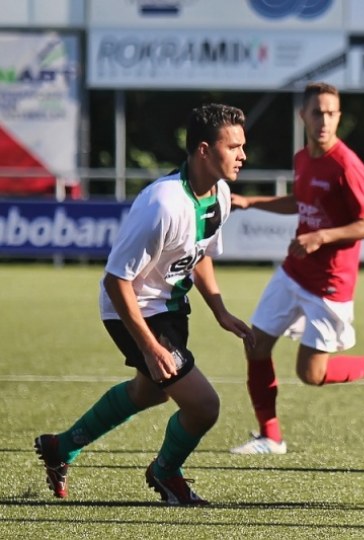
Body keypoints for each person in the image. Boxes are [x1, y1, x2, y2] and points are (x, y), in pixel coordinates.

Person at [35, 103, 254, 505]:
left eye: (243, 146)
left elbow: (200, 255)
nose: (243, 155)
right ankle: (165, 474)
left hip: (168, 308)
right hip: (132, 307)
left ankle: (61, 446)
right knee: (204, 407)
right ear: (204, 150)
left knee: (150, 392)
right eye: (234, 146)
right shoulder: (163, 204)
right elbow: (116, 281)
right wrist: (151, 347)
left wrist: (220, 311)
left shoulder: (220, 193)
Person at [229, 82, 364, 455]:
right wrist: (251, 201)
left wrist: (320, 237)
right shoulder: (302, 158)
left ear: (338, 116)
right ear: (303, 116)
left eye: (331, 113)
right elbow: (300, 201)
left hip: (330, 282)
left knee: (311, 374)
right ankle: (271, 436)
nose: (324, 120)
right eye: (317, 112)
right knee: (256, 345)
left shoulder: (347, 165)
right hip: (294, 271)